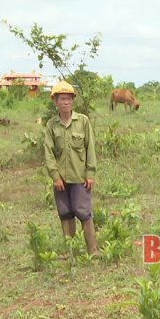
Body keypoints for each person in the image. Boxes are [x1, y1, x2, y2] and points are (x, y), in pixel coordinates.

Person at [43, 81, 100, 256]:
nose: (66, 102)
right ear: (55, 102)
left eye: (69, 99)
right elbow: (48, 152)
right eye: (62, 99)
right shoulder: (51, 125)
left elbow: (90, 147)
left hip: (80, 177)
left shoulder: (82, 121)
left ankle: (93, 251)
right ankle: (70, 251)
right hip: (60, 179)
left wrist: (90, 173)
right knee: (65, 213)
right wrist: (55, 177)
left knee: (83, 212)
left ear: (72, 101)